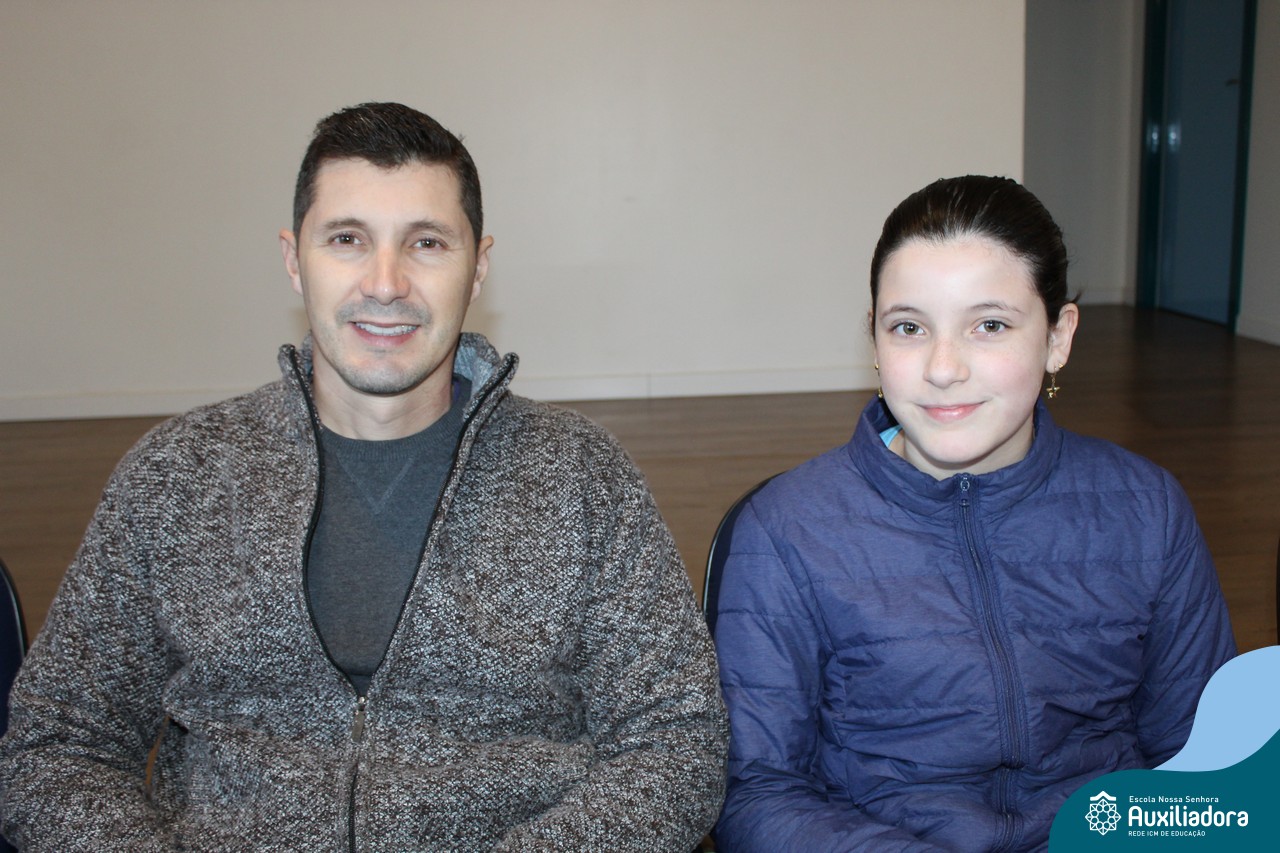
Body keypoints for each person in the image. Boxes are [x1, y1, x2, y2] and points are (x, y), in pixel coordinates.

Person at [0, 102, 728, 851]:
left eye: (426, 243)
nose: (386, 283)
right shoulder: (176, 477)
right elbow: (59, 746)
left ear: (478, 267)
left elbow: (677, 743)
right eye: (347, 239)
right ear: (294, 259)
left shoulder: (582, 476)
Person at [711, 175, 1235, 852]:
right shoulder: (787, 530)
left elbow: (1203, 759)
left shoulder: (1147, 508)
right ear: (874, 340)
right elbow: (757, 793)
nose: (943, 367)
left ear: (1057, 337)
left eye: (990, 325)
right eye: (908, 327)